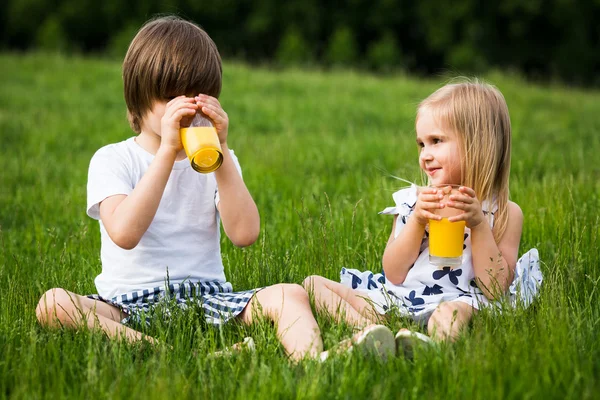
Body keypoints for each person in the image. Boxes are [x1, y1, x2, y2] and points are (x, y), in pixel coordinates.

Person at [34, 15, 338, 362]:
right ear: (139, 99)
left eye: (197, 96)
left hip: (206, 298)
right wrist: (166, 152)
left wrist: (222, 154)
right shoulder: (113, 159)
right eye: (171, 98)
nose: (187, 108)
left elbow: (245, 234)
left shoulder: (217, 160)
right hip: (125, 304)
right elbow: (124, 232)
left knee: (290, 293)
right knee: (53, 304)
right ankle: (156, 349)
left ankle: (315, 363)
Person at [303, 79, 540, 351]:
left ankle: (432, 345)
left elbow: (495, 288)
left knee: (452, 315)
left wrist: (478, 225)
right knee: (312, 285)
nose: (425, 155)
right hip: (403, 297)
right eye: (421, 144)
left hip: (461, 299)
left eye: (436, 141)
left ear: (477, 144)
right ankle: (372, 332)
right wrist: (416, 220)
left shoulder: (504, 212)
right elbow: (393, 273)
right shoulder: (412, 201)